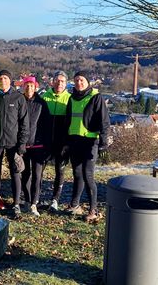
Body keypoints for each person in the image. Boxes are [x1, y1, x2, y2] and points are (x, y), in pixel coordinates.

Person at [65, 71, 110, 223]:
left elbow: (104, 121)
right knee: (77, 174)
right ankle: (74, 204)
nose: (79, 83)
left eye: (82, 80)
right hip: (74, 140)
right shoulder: (72, 98)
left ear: (88, 82)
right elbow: (68, 119)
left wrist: (104, 142)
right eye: (76, 80)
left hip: (90, 141)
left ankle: (93, 210)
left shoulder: (96, 97)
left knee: (87, 175)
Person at [0, 70, 28, 217]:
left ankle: (16, 205)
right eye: (0, 78)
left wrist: (22, 144)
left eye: (5, 78)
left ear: (10, 80)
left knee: (15, 173)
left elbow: (24, 123)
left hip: (13, 142)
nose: (3, 81)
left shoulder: (18, 98)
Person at [20, 76, 52, 216]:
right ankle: (26, 200)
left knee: (37, 175)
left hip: (38, 146)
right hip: (23, 145)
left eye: (32, 86)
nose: (29, 88)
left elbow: (47, 125)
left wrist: (47, 145)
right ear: (23, 87)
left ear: (36, 87)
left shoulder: (41, 103)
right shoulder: (19, 101)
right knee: (25, 174)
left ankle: (34, 203)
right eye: (27, 85)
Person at [40, 70, 72, 211]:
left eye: (62, 81)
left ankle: (55, 200)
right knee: (39, 170)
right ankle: (36, 197)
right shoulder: (44, 97)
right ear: (52, 82)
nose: (59, 83)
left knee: (60, 171)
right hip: (45, 141)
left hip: (62, 143)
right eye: (57, 81)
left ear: (66, 83)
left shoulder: (70, 99)